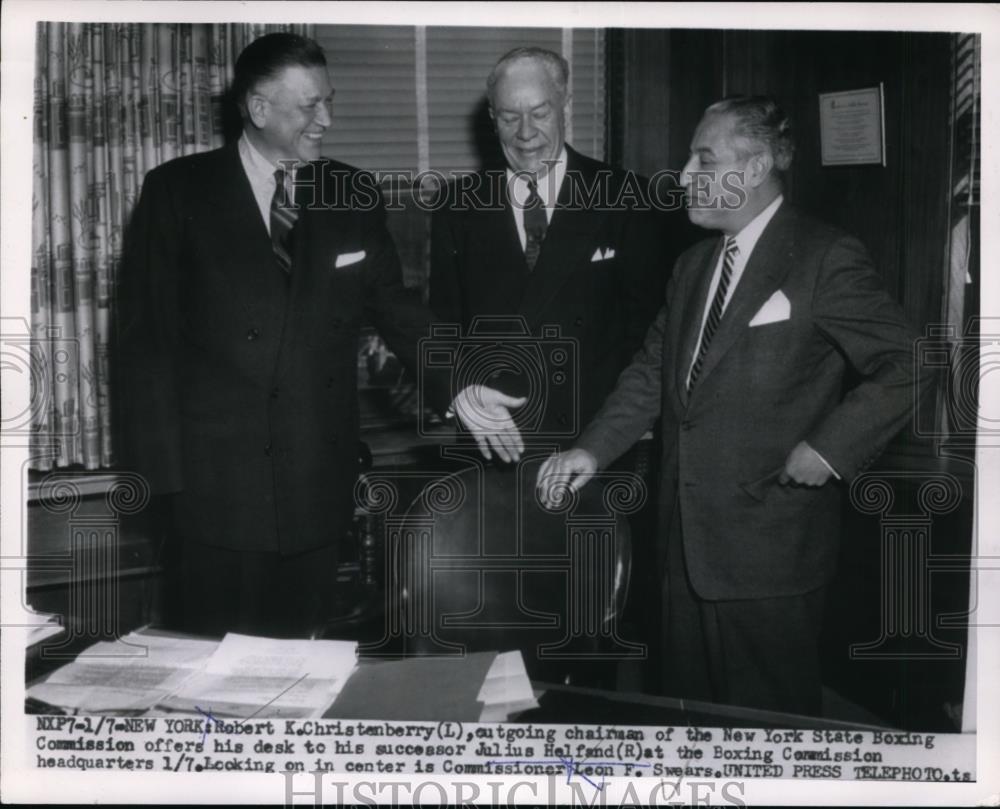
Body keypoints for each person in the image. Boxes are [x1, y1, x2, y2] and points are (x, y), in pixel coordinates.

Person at [537, 96, 925, 715]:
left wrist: (830, 447)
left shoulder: (825, 256)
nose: (684, 174)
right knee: (690, 722)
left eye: (703, 159)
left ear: (753, 168)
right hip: (681, 543)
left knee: (770, 730)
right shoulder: (692, 266)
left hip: (769, 550)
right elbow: (650, 374)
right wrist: (592, 447)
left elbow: (910, 361)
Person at [117, 33, 493, 638]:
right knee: (206, 677)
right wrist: (162, 484)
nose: (328, 119)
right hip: (213, 493)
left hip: (315, 488)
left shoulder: (353, 193)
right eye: (309, 106)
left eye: (330, 101)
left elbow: (397, 309)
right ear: (258, 109)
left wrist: (462, 387)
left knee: (303, 672)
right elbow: (145, 344)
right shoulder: (177, 191)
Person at [430, 47, 678, 462]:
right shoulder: (456, 205)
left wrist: (623, 431)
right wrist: (462, 401)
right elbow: (444, 328)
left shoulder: (625, 196)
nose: (525, 133)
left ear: (566, 105)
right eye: (509, 117)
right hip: (496, 438)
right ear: (493, 119)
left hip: (596, 440)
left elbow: (648, 334)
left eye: (540, 113)